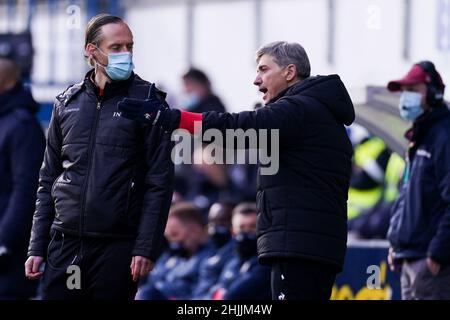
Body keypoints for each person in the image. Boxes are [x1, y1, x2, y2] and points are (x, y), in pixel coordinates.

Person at [118, 41, 355, 300]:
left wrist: (172, 119)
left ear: (289, 72)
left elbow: (237, 128)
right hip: (309, 244)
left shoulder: (299, 109)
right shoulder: (315, 112)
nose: (256, 79)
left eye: (264, 70)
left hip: (298, 246)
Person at [24, 14, 174, 300]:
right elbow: (48, 180)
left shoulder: (148, 102)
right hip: (66, 245)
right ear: (92, 51)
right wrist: (36, 245)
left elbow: (160, 183)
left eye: (129, 46)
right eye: (116, 47)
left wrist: (145, 247)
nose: (126, 54)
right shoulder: (67, 103)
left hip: (117, 248)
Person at [386, 61, 450, 300]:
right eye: (404, 91)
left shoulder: (444, 135)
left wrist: (437, 255)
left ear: (433, 93)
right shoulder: (420, 136)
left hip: (430, 263)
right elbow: (406, 196)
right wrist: (396, 243)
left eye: (413, 90)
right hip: (409, 259)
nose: (406, 97)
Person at [0, 58, 45, 299]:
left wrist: (4, 240)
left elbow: (26, 189)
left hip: (11, 251)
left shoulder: (21, 125)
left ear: (7, 82)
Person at [138, 202, 214, 300]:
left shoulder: (211, 257)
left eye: (175, 235)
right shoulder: (174, 255)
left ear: (194, 230)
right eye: (168, 237)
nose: (172, 242)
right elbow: (154, 278)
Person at [207, 203, 271, 300]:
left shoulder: (266, 262)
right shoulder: (231, 260)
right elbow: (215, 291)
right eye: (241, 227)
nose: (246, 231)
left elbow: (233, 295)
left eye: (252, 227)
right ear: (233, 231)